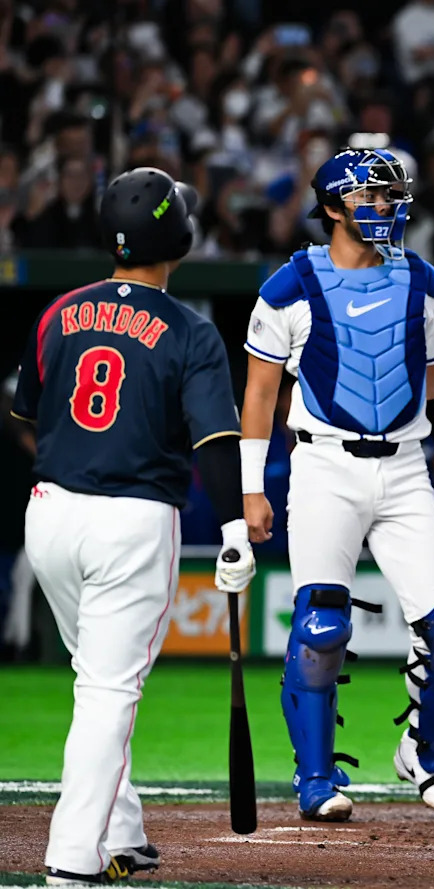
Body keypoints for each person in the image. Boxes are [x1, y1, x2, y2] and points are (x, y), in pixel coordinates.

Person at [240, 147, 434, 823]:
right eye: (370, 197)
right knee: (321, 626)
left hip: (404, 468)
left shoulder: (417, 282)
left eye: (391, 197)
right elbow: (261, 393)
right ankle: (315, 777)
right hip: (324, 465)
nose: (385, 208)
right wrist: (251, 489)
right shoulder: (290, 285)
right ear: (332, 207)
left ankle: (424, 754)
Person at [11, 167, 254, 883]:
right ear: (176, 236)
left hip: (50, 517)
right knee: (109, 694)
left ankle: (121, 832)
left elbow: (26, 410)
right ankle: (72, 862)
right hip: (131, 523)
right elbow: (215, 440)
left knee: (95, 678)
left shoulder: (59, 312)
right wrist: (236, 525)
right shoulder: (190, 330)